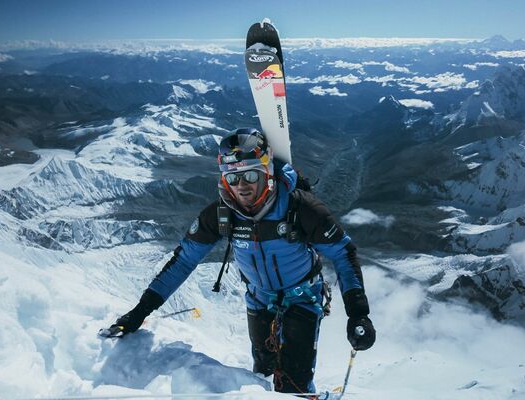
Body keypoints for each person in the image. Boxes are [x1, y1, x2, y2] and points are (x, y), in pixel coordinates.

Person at [106, 128, 375, 394]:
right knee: (261, 378)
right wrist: (139, 312)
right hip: (258, 299)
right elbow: (184, 261)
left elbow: (343, 253)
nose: (242, 186)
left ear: (267, 173)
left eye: (250, 175)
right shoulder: (221, 214)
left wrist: (358, 313)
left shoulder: (300, 207)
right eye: (233, 178)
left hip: (302, 298)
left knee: (293, 387)